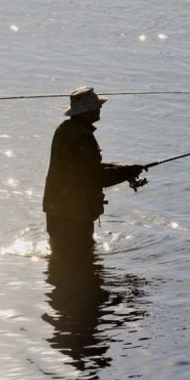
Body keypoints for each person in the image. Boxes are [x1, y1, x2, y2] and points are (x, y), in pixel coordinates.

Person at [42, 86, 145, 255]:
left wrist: (125, 169)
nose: (100, 108)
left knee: (61, 257)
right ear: (87, 110)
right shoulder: (83, 137)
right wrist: (127, 173)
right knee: (79, 256)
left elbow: (85, 168)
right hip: (74, 212)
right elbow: (94, 177)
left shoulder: (65, 129)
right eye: (97, 106)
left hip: (57, 207)